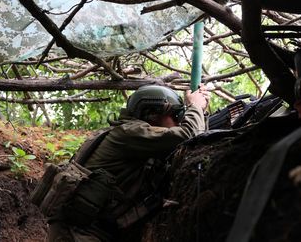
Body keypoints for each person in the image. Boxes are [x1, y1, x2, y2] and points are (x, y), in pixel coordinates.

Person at [46, 84, 210, 242]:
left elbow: (197, 145)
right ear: (152, 114)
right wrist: (195, 107)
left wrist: (202, 112)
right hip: (78, 233)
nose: (179, 122)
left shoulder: (139, 143)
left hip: (95, 231)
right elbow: (189, 136)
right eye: (176, 115)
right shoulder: (129, 133)